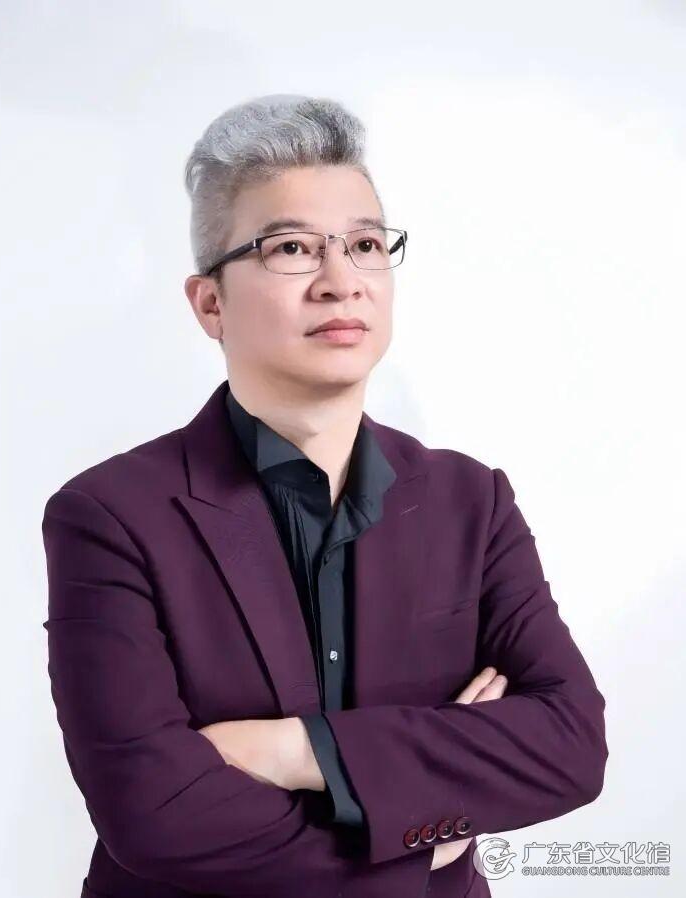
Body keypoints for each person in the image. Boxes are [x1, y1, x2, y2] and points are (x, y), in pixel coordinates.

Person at [41, 94, 608, 898]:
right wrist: (420, 830)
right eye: (292, 249)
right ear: (209, 303)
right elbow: (152, 813)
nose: (341, 283)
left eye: (365, 245)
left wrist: (296, 751)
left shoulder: (470, 501)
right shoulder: (109, 516)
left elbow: (570, 747)